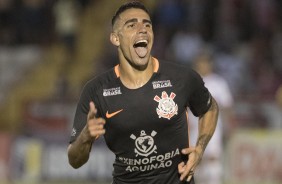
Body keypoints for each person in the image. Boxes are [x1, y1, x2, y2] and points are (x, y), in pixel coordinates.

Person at [67, 1, 219, 184]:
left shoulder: (182, 78)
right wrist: (85, 137)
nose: (142, 29)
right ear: (116, 38)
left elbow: (209, 108)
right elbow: (74, 161)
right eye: (132, 25)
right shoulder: (96, 91)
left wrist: (200, 148)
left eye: (147, 24)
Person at [189, 51, 234, 184]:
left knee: (213, 158)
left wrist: (228, 125)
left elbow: (227, 107)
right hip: (193, 127)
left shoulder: (219, 83)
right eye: (200, 62)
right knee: (195, 158)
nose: (203, 65)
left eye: (206, 62)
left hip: (214, 128)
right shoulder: (191, 81)